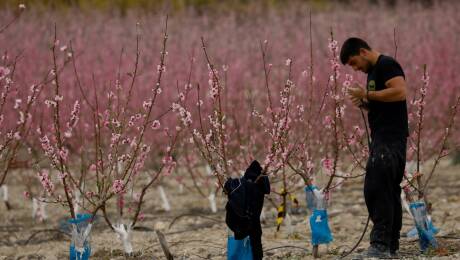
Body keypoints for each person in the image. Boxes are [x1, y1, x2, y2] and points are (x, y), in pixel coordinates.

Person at [340, 37, 408, 258]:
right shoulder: (372, 73)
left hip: (390, 139)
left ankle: (380, 245)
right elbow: (385, 103)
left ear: (363, 51)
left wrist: (367, 95)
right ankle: (390, 245)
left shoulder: (387, 65)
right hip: (383, 137)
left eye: (353, 62)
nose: (355, 68)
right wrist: (366, 104)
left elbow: (400, 92)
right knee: (388, 190)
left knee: (376, 188)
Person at [225, 160, 270, 260]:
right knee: (255, 246)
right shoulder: (261, 187)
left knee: (239, 249)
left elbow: (230, 187)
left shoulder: (242, 185)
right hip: (255, 224)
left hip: (241, 223)